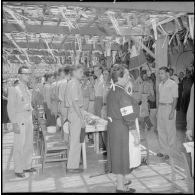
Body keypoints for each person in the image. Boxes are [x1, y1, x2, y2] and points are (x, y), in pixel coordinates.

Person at [107, 64, 139, 192]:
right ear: (119, 77)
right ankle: (120, 186)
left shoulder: (113, 90)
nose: (128, 78)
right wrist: (135, 133)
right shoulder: (121, 93)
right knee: (121, 156)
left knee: (118, 155)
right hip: (121, 128)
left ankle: (122, 181)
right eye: (126, 75)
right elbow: (128, 116)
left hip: (115, 127)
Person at [7, 66, 36, 178]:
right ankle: (18, 169)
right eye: (25, 74)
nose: (28, 76)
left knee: (28, 144)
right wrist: (14, 123)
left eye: (29, 73)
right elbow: (10, 108)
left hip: (28, 117)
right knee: (19, 144)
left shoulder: (26, 88)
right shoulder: (14, 89)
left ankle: (27, 166)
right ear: (19, 75)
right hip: (20, 119)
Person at [65, 65, 85, 173]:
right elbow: (75, 102)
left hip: (75, 112)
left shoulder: (74, 83)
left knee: (76, 140)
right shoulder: (73, 83)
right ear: (74, 72)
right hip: (75, 113)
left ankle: (73, 162)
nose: (82, 74)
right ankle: (72, 167)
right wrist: (81, 119)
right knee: (75, 141)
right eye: (81, 72)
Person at [157, 66, 178, 160]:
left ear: (167, 74)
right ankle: (163, 150)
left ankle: (170, 152)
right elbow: (159, 98)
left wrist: (172, 111)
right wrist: (158, 111)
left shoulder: (172, 84)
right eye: (159, 73)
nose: (160, 75)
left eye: (162, 73)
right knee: (161, 130)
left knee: (170, 131)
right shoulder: (160, 84)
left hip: (169, 107)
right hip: (161, 108)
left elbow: (175, 98)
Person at [93, 65, 105, 150]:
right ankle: (100, 144)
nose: (95, 72)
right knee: (97, 122)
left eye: (96, 70)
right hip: (96, 101)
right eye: (94, 71)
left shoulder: (103, 79)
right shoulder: (96, 80)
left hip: (101, 101)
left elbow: (104, 93)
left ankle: (104, 144)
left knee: (102, 122)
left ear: (100, 70)